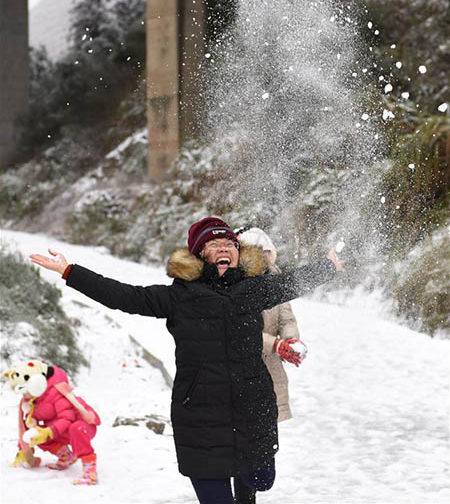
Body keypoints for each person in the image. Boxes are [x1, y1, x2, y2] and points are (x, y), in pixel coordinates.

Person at [30, 216, 343, 504]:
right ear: (199, 254)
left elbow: (292, 282)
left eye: (229, 245)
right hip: (201, 414)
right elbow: (122, 295)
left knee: (261, 480)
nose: (224, 249)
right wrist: (71, 271)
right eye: (214, 244)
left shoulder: (254, 289)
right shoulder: (179, 297)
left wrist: (328, 267)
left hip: (250, 408)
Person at [232, 227, 304, 504]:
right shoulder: (235, 285)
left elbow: (286, 315)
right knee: (243, 445)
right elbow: (240, 328)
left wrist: (291, 339)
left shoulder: (275, 279)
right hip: (241, 371)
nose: (262, 259)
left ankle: (249, 492)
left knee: (262, 446)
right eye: (255, 253)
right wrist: (275, 344)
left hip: (270, 371)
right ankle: (242, 497)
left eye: (266, 254)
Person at [4, 358, 100, 485]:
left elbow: (67, 418)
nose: (24, 395)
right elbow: (26, 426)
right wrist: (24, 449)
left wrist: (49, 431)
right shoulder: (31, 401)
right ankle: (66, 456)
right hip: (61, 429)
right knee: (37, 435)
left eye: (25, 390)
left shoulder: (55, 393)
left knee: (75, 428)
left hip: (82, 425)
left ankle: (90, 471)